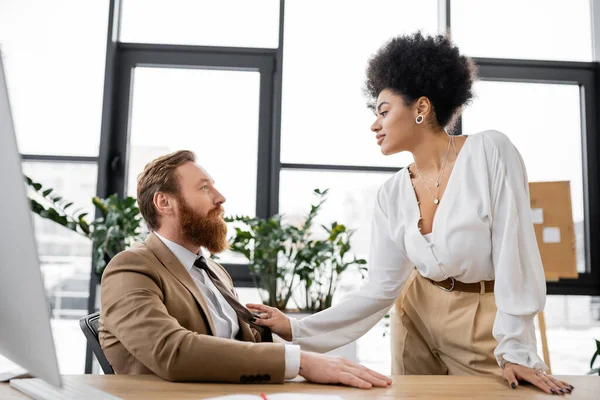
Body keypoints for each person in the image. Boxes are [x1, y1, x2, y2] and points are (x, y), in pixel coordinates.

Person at [247, 32, 574, 395]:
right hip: (416, 315)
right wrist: (297, 328)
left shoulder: (490, 151)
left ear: (421, 108)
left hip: (485, 317)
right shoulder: (391, 194)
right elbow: (380, 288)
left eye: (384, 111)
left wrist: (516, 349)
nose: (374, 125)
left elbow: (517, 255)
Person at [99, 150, 391, 389]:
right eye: (204, 187)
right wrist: (301, 361)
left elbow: (237, 344)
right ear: (164, 202)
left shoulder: (213, 271)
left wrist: (271, 329)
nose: (220, 197)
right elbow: (171, 351)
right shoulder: (131, 266)